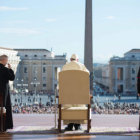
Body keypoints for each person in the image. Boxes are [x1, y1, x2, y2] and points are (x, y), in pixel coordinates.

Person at [62, 54, 89, 131]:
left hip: (67, 93)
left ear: (70, 59)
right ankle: (78, 125)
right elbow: (87, 75)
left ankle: (70, 125)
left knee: (68, 106)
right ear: (77, 60)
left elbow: (60, 78)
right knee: (79, 106)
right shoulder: (81, 66)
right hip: (79, 92)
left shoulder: (65, 66)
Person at [0, 55, 15, 131]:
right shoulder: (5, 70)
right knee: (5, 108)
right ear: (3, 60)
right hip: (4, 93)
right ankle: (4, 126)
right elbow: (12, 78)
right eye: (6, 60)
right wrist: (10, 69)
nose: (7, 62)